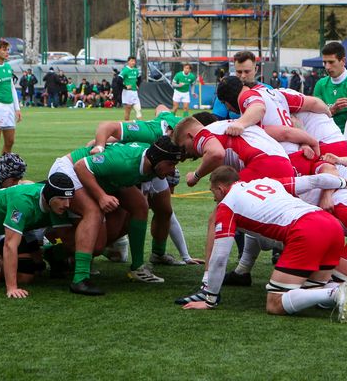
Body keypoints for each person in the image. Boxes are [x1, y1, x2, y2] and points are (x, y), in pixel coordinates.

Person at [176, 166, 347, 323]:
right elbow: (315, 180)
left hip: (306, 229)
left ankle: (336, 293)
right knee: (310, 293)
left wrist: (210, 299)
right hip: (331, 225)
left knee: (275, 303)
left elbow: (220, 255)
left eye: (212, 192)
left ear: (221, 189)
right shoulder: (267, 182)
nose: (214, 198)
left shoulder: (226, 206)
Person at [70, 138, 184, 291]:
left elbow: (165, 211)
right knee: (94, 220)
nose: (172, 170)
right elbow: (81, 166)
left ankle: (137, 268)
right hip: (72, 170)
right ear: (156, 159)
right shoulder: (125, 162)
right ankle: (79, 277)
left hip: (101, 175)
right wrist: (101, 196)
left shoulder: (152, 163)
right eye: (170, 164)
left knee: (140, 207)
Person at [172, 116, 294, 184]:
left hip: (263, 164)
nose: (187, 153)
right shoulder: (223, 126)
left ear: (190, 136)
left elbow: (216, 154)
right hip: (284, 162)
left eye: (184, 147)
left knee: (225, 204)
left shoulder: (201, 134)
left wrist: (196, 176)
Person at [313, 41, 347, 162]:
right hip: (326, 141)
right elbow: (315, 118)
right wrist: (332, 110)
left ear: (343, 61)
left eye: (331, 62)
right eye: (325, 62)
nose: (327, 67)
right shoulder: (321, 85)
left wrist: (343, 144)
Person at [121, 56, 142, 120]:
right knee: (128, 110)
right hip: (127, 93)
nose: (133, 62)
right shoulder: (125, 70)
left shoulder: (136, 70)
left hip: (134, 92)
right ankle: (127, 126)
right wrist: (125, 86)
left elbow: (139, 78)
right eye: (132, 61)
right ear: (128, 62)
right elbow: (118, 80)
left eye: (134, 61)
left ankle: (141, 127)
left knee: (138, 109)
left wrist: (137, 85)